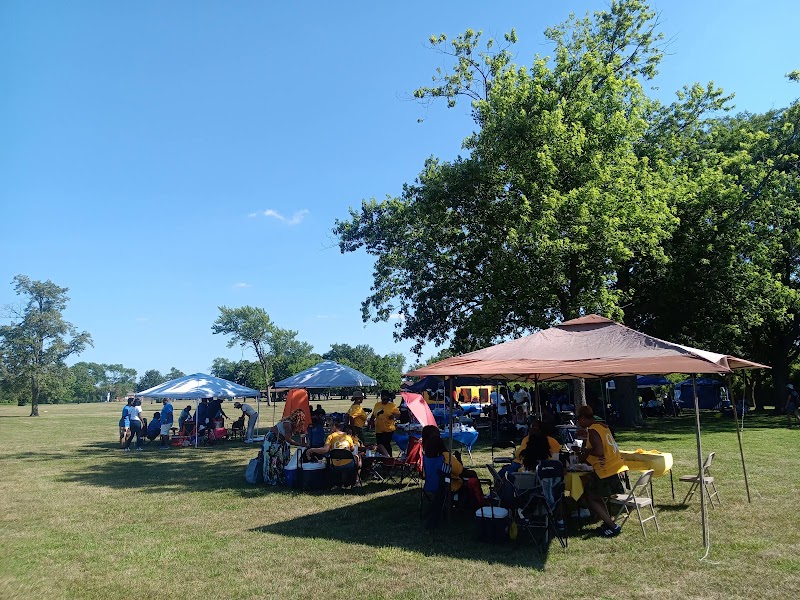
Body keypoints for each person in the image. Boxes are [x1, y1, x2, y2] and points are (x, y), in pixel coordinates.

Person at [576, 405, 628, 537]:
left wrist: (584, 451)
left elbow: (599, 451)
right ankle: (608, 521)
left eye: (578, 420)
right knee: (597, 496)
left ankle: (613, 526)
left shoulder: (593, 430)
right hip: (615, 466)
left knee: (591, 497)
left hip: (606, 469)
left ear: (583, 418)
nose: (578, 423)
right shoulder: (603, 426)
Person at [421, 424, 465, 529]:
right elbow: (459, 470)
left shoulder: (426, 456)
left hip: (430, 485)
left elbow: (423, 474)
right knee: (469, 479)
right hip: (448, 486)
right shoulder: (445, 456)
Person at [263, 409, 308, 485]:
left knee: (283, 459)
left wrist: (303, 433)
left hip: (280, 441)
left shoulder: (292, 425)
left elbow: (301, 433)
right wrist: (300, 444)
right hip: (273, 441)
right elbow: (288, 439)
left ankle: (282, 477)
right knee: (273, 460)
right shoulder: (288, 425)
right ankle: (273, 480)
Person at [368, 390, 401, 457]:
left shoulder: (392, 405)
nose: (384, 401)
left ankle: (389, 459)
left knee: (386, 444)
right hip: (378, 429)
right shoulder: (377, 405)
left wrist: (393, 416)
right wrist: (370, 423)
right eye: (383, 399)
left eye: (386, 399)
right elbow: (373, 415)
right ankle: (381, 458)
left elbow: (398, 415)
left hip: (388, 429)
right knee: (380, 445)